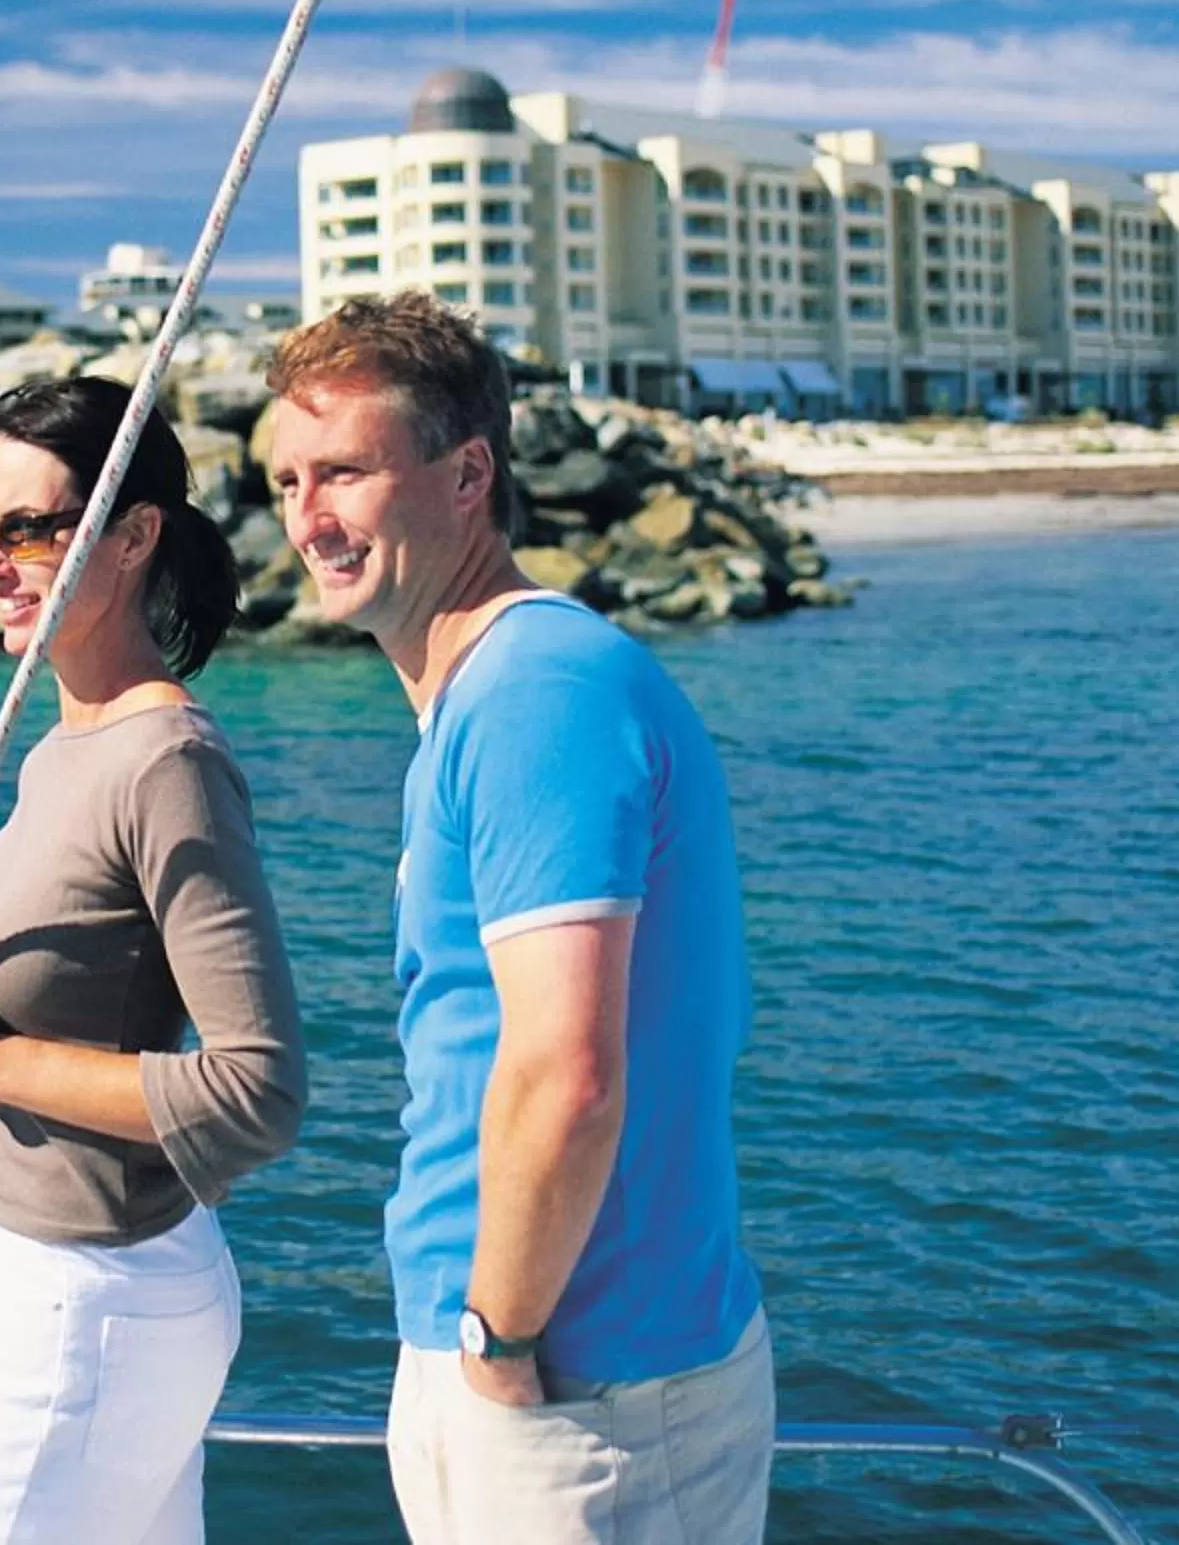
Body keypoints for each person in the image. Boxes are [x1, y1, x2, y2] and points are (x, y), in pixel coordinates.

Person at [263, 294, 773, 1544]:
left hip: (574, 1391)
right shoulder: (498, 693)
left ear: (467, 474)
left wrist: (496, 1338)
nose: (306, 517)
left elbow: (568, 1074)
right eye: (284, 480)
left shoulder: (534, 692)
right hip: (563, 1374)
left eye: (345, 473)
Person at [0, 375, 307, 1545]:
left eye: (26, 530)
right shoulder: (68, 746)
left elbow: (255, 1094)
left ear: (134, 533)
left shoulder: (164, 761)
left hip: (87, 1322)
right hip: (43, 1301)